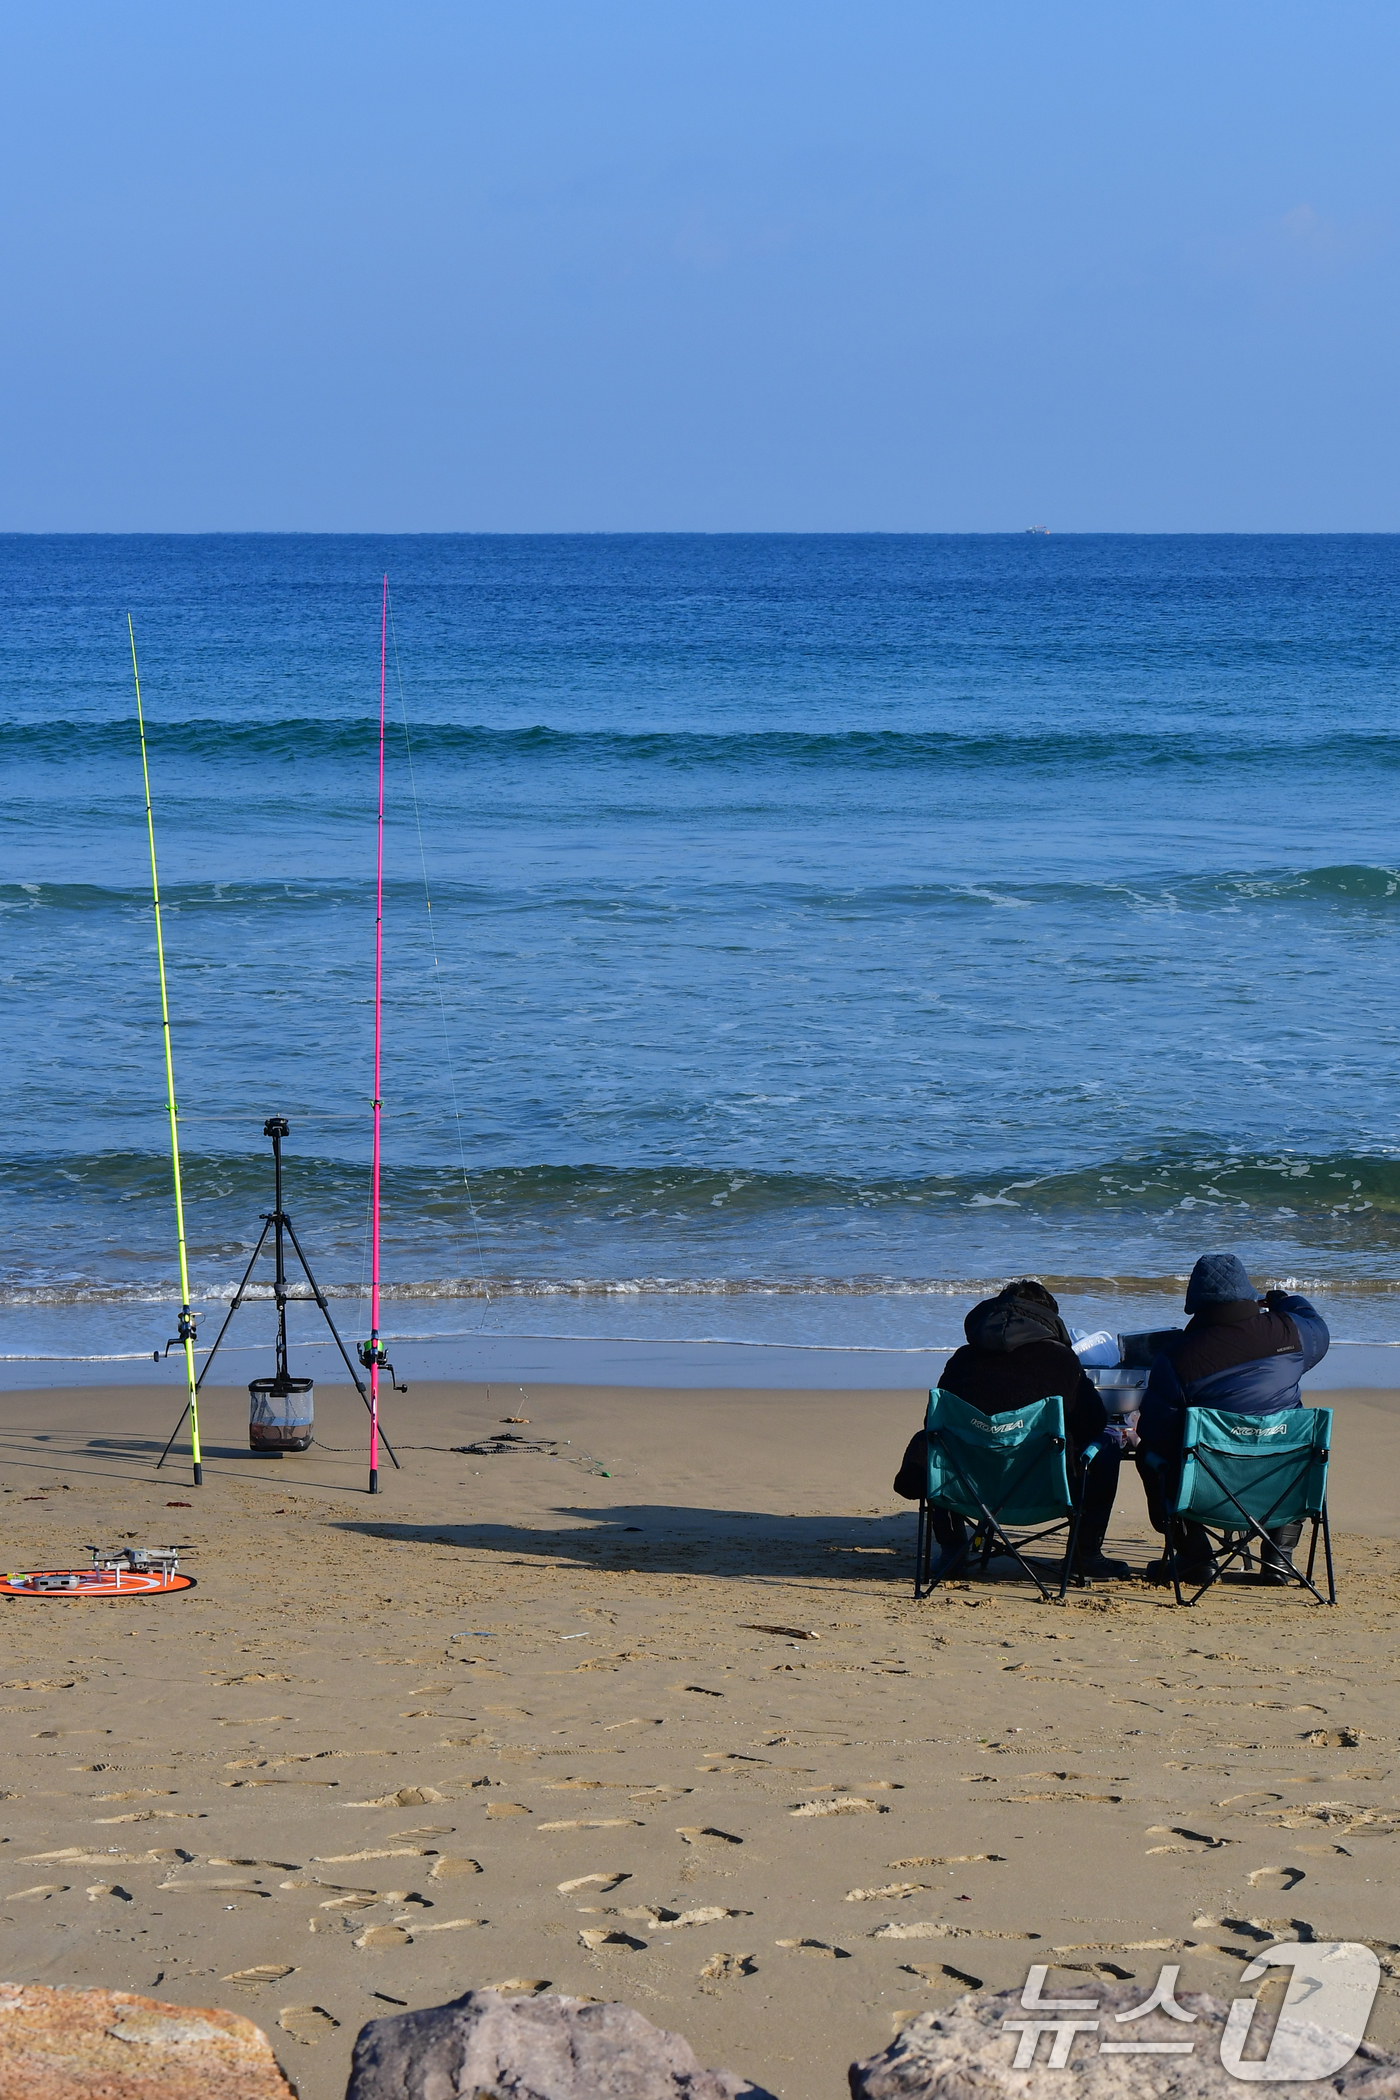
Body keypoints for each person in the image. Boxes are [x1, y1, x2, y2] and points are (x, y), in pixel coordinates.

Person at [893, 1278, 1125, 1580]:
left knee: (941, 1444)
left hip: (966, 1489)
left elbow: (933, 1423)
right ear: (1049, 1319)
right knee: (1106, 1448)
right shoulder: (1061, 1360)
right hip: (1042, 1489)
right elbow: (1093, 1422)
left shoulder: (962, 1359)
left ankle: (952, 1550)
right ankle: (1087, 1554)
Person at [1136, 1252, 1329, 1584]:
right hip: (1281, 1487)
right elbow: (1318, 1328)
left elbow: (1156, 1432)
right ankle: (1279, 1557)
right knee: (1296, 1446)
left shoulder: (1178, 1356)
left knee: (1149, 1455)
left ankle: (1196, 1556)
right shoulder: (1291, 1332)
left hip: (1209, 1492)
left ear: (1194, 1301)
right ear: (1248, 1293)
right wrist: (1285, 1301)